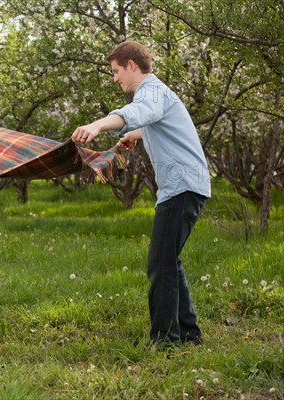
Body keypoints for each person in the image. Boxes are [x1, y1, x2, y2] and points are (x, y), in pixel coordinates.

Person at [72, 41, 211, 348]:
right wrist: (134, 135)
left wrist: (97, 125)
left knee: (160, 264)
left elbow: (138, 111)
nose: (114, 78)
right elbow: (153, 122)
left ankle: (164, 341)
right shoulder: (159, 93)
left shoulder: (150, 91)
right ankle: (188, 334)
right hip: (186, 186)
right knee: (168, 260)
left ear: (132, 65)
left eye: (116, 71)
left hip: (182, 187)